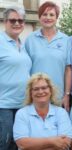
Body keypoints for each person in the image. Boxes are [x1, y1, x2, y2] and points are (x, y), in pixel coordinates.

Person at [25, 1, 72, 111]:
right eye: (44, 14)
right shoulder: (30, 39)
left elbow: (68, 69)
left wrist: (67, 95)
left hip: (57, 96)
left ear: (56, 18)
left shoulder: (66, 40)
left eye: (51, 15)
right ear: (39, 17)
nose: (48, 17)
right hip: (36, 94)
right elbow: (25, 68)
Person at [13, 73, 72, 150]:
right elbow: (22, 144)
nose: (40, 92)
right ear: (31, 93)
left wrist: (33, 144)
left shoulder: (61, 112)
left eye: (44, 88)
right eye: (36, 89)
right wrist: (53, 141)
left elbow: (65, 143)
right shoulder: (22, 113)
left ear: (50, 90)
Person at [0, 6, 31, 150]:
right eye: (12, 20)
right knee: (4, 143)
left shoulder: (22, 44)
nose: (17, 23)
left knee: (17, 144)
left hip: (22, 104)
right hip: (3, 104)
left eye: (20, 20)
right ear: (5, 21)